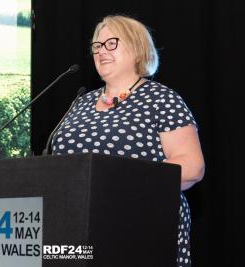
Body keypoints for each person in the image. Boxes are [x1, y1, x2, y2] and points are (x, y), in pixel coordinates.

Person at [51, 15, 205, 266]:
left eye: (111, 43)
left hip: (140, 224)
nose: (101, 51)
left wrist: (123, 183)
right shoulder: (81, 102)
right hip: (72, 226)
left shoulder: (162, 99)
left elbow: (192, 166)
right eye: (97, 46)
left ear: (137, 48)